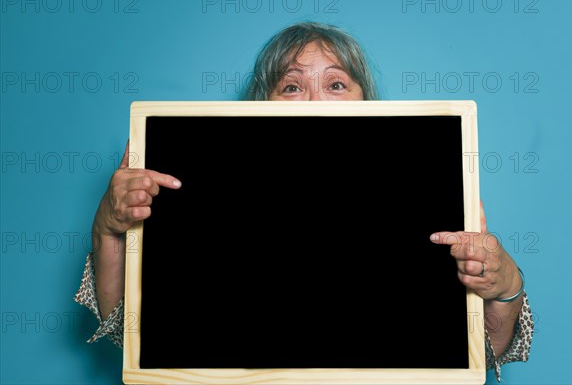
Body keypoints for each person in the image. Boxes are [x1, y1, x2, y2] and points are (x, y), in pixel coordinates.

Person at [75, 22, 532, 381]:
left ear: (367, 102)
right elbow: (126, 332)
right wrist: (109, 227)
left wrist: (505, 284)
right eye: (291, 86)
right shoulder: (199, 194)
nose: (314, 100)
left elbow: (484, 353)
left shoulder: (428, 188)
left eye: (336, 84)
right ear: (260, 104)